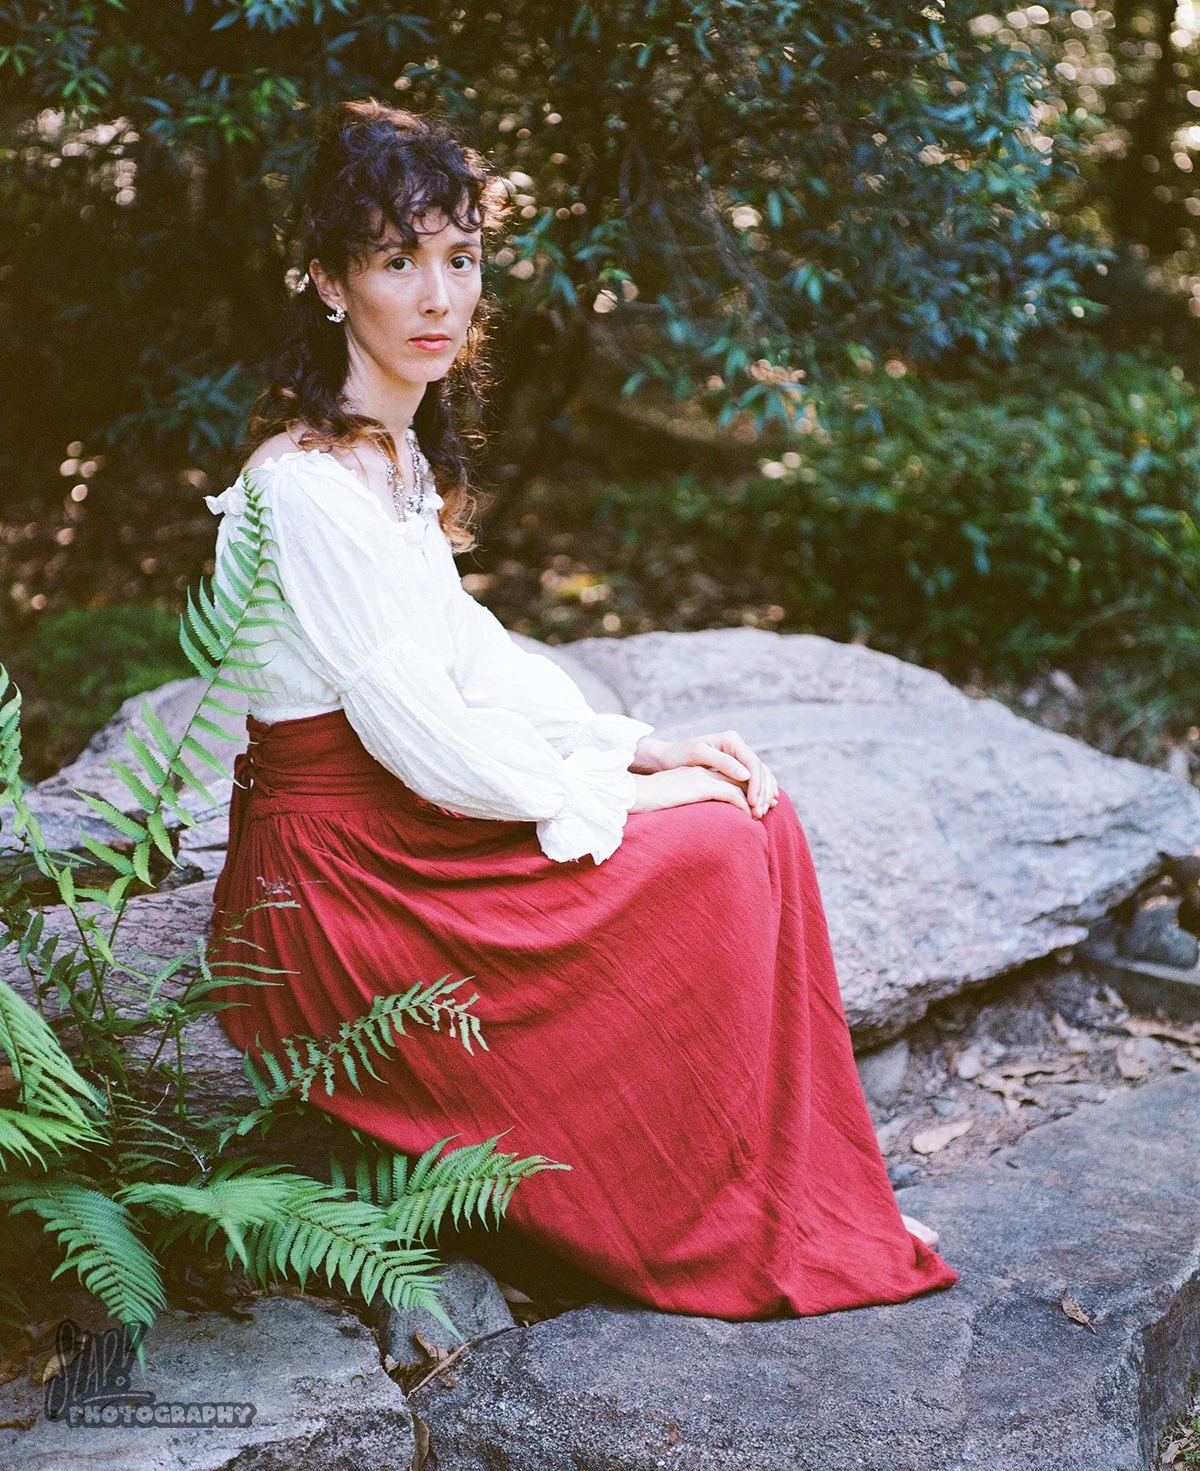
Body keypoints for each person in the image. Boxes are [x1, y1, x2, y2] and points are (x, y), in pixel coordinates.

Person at [204, 96, 958, 1319]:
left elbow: (470, 654)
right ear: (330, 283)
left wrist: (640, 747)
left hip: (396, 830)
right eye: (397, 260)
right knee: (713, 846)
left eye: (460, 257)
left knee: (754, 815)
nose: (439, 296)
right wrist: (600, 797)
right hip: (344, 883)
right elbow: (421, 733)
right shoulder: (304, 488)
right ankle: (713, 1214)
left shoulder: (386, 457)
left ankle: (797, 1190)